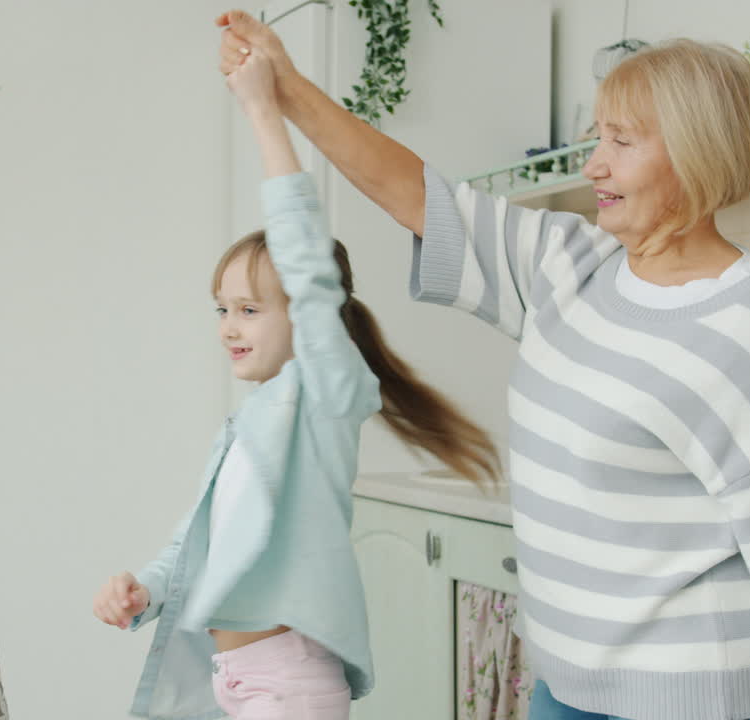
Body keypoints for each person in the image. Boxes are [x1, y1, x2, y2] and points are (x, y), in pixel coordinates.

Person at [216, 10, 750, 720]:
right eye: (598, 138)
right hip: (564, 688)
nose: (594, 163)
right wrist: (286, 86)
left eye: (620, 142)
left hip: (697, 701)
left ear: (697, 152)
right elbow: (419, 197)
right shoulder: (570, 266)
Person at [92, 44, 497, 720]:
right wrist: (144, 589)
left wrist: (263, 111)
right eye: (222, 309)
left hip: (289, 683)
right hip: (232, 678)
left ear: (313, 318)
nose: (228, 326)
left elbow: (308, 265)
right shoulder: (250, 424)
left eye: (250, 309)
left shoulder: (326, 398)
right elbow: (193, 550)